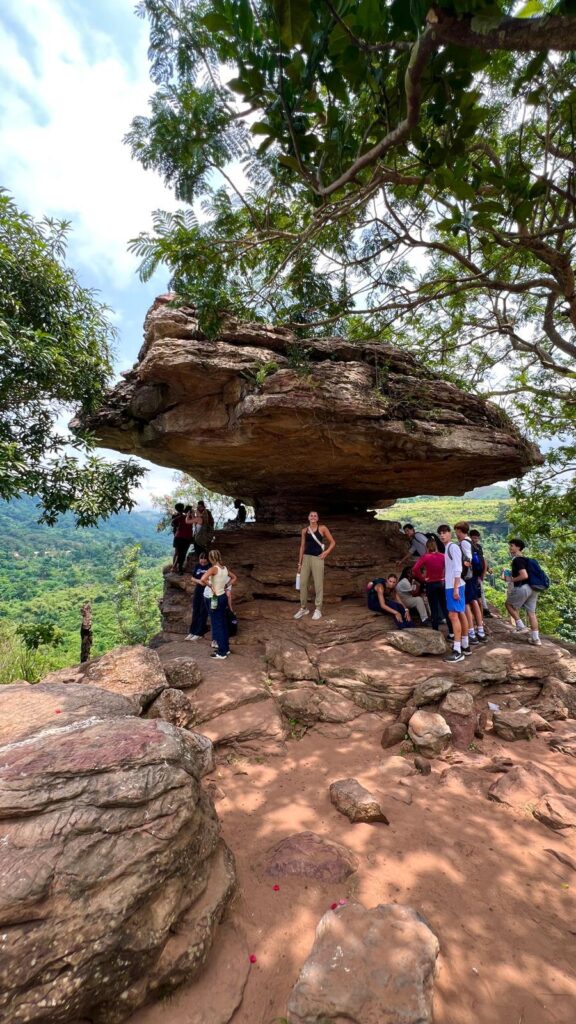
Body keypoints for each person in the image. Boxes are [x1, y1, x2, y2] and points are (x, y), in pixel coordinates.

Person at [438, 524, 472, 662]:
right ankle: (465, 645)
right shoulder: (449, 547)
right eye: (440, 533)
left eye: (444, 532)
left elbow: (458, 568)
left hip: (454, 586)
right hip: (454, 585)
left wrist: (456, 588)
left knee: (453, 616)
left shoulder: (452, 547)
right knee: (460, 613)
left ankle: (458, 651)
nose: (442, 535)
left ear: (450, 533)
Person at [294, 511, 336, 621]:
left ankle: (318, 609)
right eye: (311, 515)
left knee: (318, 584)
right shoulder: (304, 530)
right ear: (308, 518)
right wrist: (300, 563)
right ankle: (303, 608)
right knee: (303, 584)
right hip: (306, 558)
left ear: (317, 518)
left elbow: (333, 542)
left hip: (318, 558)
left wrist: (326, 552)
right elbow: (302, 547)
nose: (313, 517)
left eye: (315, 516)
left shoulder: (322, 528)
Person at [199, 549, 237, 659]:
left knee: (217, 624)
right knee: (223, 623)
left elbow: (202, 579)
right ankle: (226, 648)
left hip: (214, 598)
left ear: (210, 558)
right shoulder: (224, 569)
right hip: (223, 597)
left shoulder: (213, 569)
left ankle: (221, 653)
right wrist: (226, 586)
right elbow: (234, 578)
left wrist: (211, 586)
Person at [454, 521, 487, 645]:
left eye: (456, 531)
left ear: (459, 531)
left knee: (467, 603)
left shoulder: (464, 543)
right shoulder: (471, 542)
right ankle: (481, 631)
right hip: (473, 576)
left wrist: (462, 571)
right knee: (474, 601)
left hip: (467, 577)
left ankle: (471, 633)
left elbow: (468, 559)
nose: (456, 534)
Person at [505, 539, 542, 646]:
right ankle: (536, 639)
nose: (510, 548)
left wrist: (511, 580)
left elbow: (524, 575)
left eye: (512, 545)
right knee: (531, 613)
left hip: (523, 587)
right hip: (534, 588)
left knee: (508, 604)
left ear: (518, 547)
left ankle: (520, 626)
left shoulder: (517, 560)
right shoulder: (526, 559)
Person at [413, 537, 450, 633]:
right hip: (442, 583)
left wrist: (423, 579)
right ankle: (451, 632)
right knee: (445, 607)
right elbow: (449, 568)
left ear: (427, 547)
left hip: (430, 584)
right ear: (436, 546)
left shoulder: (425, 557)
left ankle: (435, 631)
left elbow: (415, 569)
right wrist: (444, 577)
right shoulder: (443, 556)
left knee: (434, 608)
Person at [185, 553, 211, 641]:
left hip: (207, 591)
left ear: (208, 559)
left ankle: (199, 632)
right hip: (198, 589)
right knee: (195, 610)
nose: (202, 560)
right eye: (201, 558)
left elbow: (211, 579)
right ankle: (192, 631)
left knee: (203, 611)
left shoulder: (210, 567)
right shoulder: (198, 566)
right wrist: (199, 581)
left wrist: (205, 582)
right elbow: (192, 577)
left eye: (204, 559)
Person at [470, 529, 493, 617]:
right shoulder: (469, 547)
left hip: (479, 573)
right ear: (470, 537)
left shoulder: (479, 547)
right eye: (474, 538)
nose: (475, 540)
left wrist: (487, 569)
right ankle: (483, 610)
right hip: (472, 573)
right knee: (478, 593)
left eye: (477, 538)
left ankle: (484, 610)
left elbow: (482, 559)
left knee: (481, 592)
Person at [171, 503, 194, 574]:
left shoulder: (182, 517)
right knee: (181, 554)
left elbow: (173, 523)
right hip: (183, 538)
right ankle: (178, 568)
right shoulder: (184, 517)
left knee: (180, 553)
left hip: (180, 537)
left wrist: (178, 527)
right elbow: (173, 523)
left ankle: (177, 568)